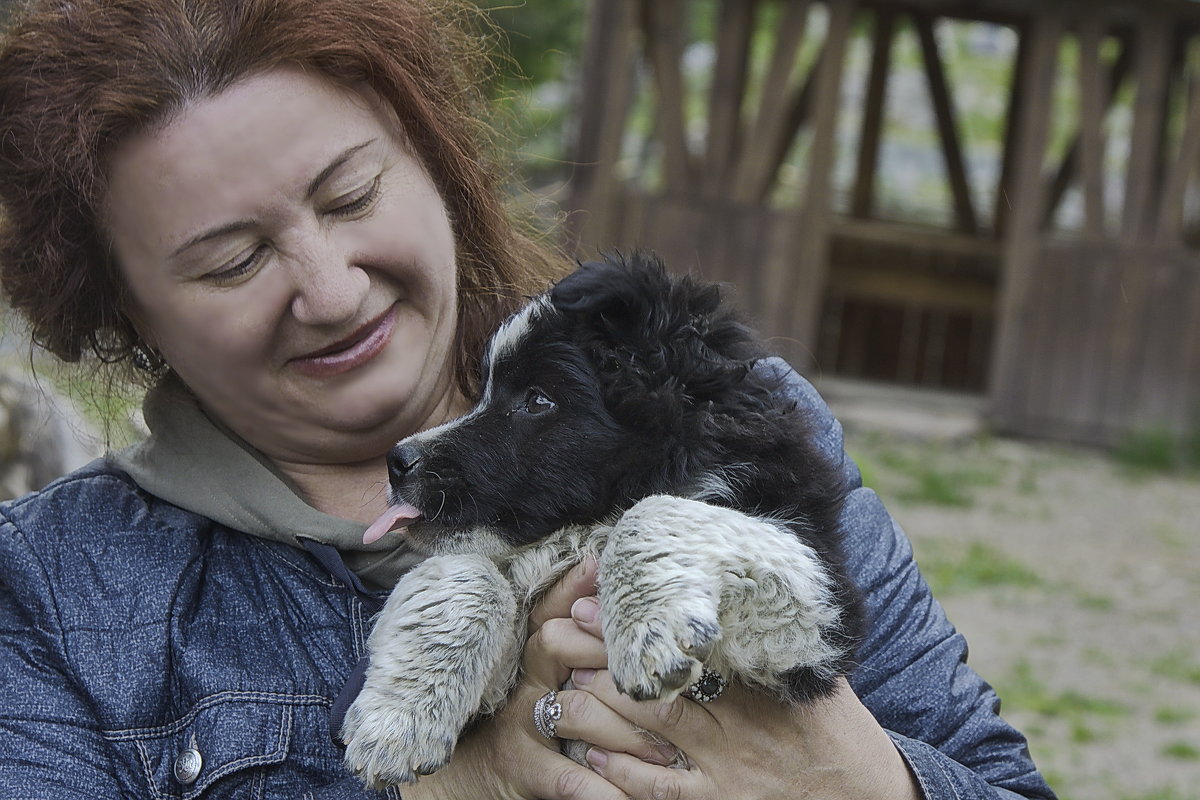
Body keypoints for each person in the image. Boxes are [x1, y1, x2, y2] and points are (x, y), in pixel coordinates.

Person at [0, 1, 1057, 798]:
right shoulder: (56, 589)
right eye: (233, 261)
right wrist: (461, 783)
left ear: (439, 166)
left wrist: (863, 779)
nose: (329, 290)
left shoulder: (730, 413)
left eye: (352, 194)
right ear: (127, 313)